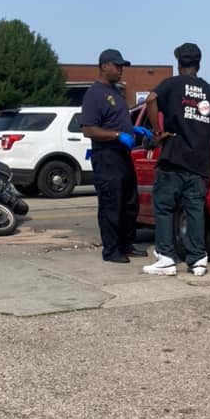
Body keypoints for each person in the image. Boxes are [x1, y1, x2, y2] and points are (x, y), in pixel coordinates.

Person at [142, 42, 210, 277]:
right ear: (199, 64)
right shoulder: (208, 90)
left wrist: (157, 132)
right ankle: (198, 259)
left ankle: (166, 258)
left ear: (179, 64)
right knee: (194, 209)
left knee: (164, 207)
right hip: (199, 162)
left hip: (173, 157)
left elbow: (150, 100)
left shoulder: (173, 84)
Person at [80, 49, 148, 263]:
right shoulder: (94, 94)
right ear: (104, 66)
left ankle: (126, 244)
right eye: (117, 66)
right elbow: (89, 129)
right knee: (112, 204)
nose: (121, 70)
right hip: (107, 157)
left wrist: (133, 130)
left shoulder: (116, 92)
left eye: (122, 66)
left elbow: (116, 121)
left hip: (123, 156)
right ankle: (111, 250)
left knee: (129, 203)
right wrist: (117, 135)